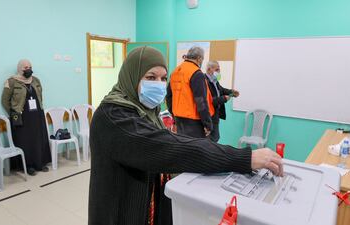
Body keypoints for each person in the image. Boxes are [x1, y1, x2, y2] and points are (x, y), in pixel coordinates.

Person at [88, 46, 283, 225]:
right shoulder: (113, 115)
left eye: (163, 79)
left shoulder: (146, 111)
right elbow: (168, 148)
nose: (159, 84)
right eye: (150, 77)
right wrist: (244, 157)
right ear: (131, 75)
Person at [1, 59, 51, 176]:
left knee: (38, 139)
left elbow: (40, 95)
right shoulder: (12, 82)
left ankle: (40, 163)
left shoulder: (36, 80)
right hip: (22, 117)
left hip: (37, 115)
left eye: (29, 67)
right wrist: (14, 112)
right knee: (25, 141)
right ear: (19, 68)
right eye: (25, 67)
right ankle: (28, 166)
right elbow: (4, 100)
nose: (28, 69)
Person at [166, 46, 214, 138]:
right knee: (196, 150)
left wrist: (174, 118)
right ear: (199, 58)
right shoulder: (196, 73)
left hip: (179, 120)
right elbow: (201, 101)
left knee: (184, 148)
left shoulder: (175, 71)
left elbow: (169, 97)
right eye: (202, 59)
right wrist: (207, 124)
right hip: (194, 123)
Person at [205, 60, 240, 142]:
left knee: (216, 137)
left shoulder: (214, 81)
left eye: (219, 69)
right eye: (217, 70)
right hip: (208, 115)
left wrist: (231, 92)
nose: (219, 72)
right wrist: (224, 99)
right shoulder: (204, 81)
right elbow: (209, 100)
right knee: (210, 139)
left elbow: (221, 90)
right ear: (209, 69)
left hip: (216, 115)